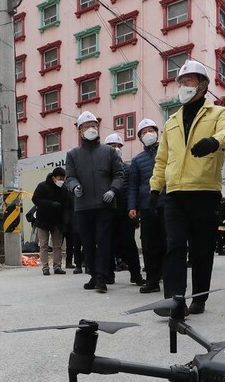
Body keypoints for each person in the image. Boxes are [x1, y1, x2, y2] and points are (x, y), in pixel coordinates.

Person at [149, 60, 225, 315]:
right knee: (174, 245)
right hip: (175, 193)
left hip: (205, 192)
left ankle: (199, 297)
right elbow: (162, 159)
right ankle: (174, 301)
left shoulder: (218, 114)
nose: (184, 86)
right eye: (181, 82)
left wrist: (214, 142)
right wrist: (155, 189)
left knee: (201, 249)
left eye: (189, 81)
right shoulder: (171, 121)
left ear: (203, 85)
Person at [65, 111, 124, 294]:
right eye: (86, 126)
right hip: (83, 206)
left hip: (104, 206)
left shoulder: (108, 152)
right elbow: (70, 177)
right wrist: (75, 187)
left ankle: (101, 276)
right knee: (87, 242)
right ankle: (92, 274)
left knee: (104, 241)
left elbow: (119, 174)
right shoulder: (73, 154)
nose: (91, 129)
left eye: (93, 125)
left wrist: (113, 190)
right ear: (80, 131)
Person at [127, 118, 165, 294]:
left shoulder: (167, 153)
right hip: (146, 206)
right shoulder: (137, 160)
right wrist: (132, 206)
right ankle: (152, 280)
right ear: (140, 138)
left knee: (167, 241)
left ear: (157, 133)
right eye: (143, 132)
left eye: (151, 130)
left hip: (166, 203)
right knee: (149, 243)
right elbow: (132, 186)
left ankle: (167, 274)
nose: (148, 134)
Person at [105, 132, 144, 285]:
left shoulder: (128, 169)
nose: (116, 149)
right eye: (112, 146)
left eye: (118, 146)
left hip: (126, 212)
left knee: (128, 243)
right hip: (108, 211)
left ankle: (136, 274)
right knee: (108, 243)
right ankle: (108, 274)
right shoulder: (103, 171)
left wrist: (133, 208)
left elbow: (132, 189)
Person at [31, 166, 68, 275]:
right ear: (53, 177)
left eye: (63, 178)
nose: (61, 180)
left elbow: (66, 204)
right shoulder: (42, 186)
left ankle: (57, 266)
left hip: (57, 221)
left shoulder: (64, 189)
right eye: (59, 178)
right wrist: (50, 204)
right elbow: (35, 199)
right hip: (43, 220)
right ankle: (45, 267)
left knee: (57, 245)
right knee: (44, 245)